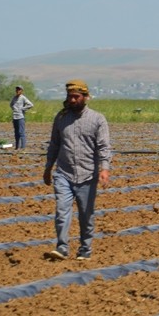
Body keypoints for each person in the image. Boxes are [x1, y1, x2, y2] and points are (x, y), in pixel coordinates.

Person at [43, 80, 111, 261]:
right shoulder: (61, 118)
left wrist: (104, 169)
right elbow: (54, 144)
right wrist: (48, 167)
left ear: (85, 97)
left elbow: (104, 147)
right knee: (62, 211)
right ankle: (62, 248)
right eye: (69, 96)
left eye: (76, 96)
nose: (72, 100)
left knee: (85, 215)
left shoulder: (97, 119)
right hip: (63, 173)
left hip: (87, 175)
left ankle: (85, 250)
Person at [10, 86, 34, 150]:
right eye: (17, 89)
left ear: (21, 91)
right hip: (15, 117)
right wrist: (14, 108)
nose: (17, 91)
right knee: (16, 132)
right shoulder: (14, 98)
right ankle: (17, 147)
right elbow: (11, 104)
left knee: (21, 132)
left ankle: (23, 147)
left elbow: (31, 104)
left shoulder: (23, 98)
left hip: (21, 117)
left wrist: (23, 109)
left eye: (19, 89)